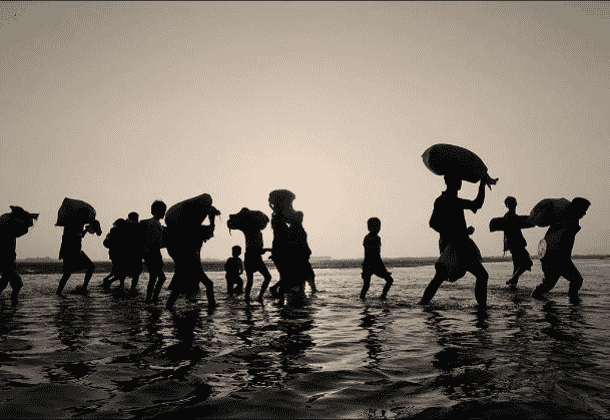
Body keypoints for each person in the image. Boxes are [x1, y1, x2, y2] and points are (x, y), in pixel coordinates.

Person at [419, 173, 498, 308]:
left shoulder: (453, 200)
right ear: (451, 182)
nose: (461, 183)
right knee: (441, 277)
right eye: (458, 180)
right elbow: (433, 223)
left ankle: (482, 307)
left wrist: (463, 232)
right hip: (452, 246)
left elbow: (476, 204)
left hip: (462, 244)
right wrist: (453, 233)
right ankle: (423, 304)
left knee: (481, 275)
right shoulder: (444, 201)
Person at [532, 197, 590, 301]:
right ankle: (574, 306)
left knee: (548, 285)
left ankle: (535, 300)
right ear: (577, 208)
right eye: (584, 210)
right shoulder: (568, 219)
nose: (584, 213)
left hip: (549, 255)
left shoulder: (563, 217)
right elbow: (562, 242)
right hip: (557, 257)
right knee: (576, 280)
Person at [166, 196, 219, 310]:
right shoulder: (194, 230)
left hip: (187, 264)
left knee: (178, 290)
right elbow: (210, 230)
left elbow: (209, 230)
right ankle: (211, 306)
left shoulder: (186, 230)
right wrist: (212, 218)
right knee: (207, 285)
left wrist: (211, 217)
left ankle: (170, 308)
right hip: (192, 264)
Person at [56, 209, 101, 295]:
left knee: (69, 273)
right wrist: (85, 230)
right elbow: (77, 235)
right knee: (68, 273)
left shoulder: (75, 223)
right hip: (71, 251)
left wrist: (86, 230)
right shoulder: (73, 224)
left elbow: (80, 235)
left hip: (73, 251)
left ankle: (62, 291)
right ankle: (60, 291)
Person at [0, 206, 38, 304]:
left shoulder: (6, 221)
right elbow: (21, 232)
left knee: (4, 282)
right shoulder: (10, 225)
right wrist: (28, 223)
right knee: (17, 285)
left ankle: (9, 308)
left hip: (7, 258)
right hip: (7, 258)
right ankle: (14, 305)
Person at [140, 200, 167, 303]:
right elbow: (154, 241)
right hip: (154, 254)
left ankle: (151, 298)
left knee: (155, 278)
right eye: (163, 211)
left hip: (149, 254)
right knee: (158, 278)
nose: (164, 213)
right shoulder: (155, 224)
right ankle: (152, 298)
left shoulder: (150, 223)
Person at [503, 196, 533, 288]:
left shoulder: (511, 216)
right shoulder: (510, 217)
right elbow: (508, 233)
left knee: (517, 267)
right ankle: (513, 280)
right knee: (527, 263)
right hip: (516, 245)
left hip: (513, 245)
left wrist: (506, 246)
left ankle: (512, 286)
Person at [360, 217, 393, 300]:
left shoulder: (367, 237)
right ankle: (383, 296)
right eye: (376, 227)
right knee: (389, 280)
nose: (378, 229)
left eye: (378, 227)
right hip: (373, 264)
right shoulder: (376, 238)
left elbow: (371, 253)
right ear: (369, 227)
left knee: (366, 286)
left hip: (367, 264)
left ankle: (362, 299)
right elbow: (376, 254)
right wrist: (383, 269)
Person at [101, 218, 126, 287]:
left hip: (113, 253)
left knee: (116, 269)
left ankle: (108, 280)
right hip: (120, 254)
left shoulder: (113, 231)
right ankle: (110, 282)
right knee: (121, 271)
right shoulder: (121, 231)